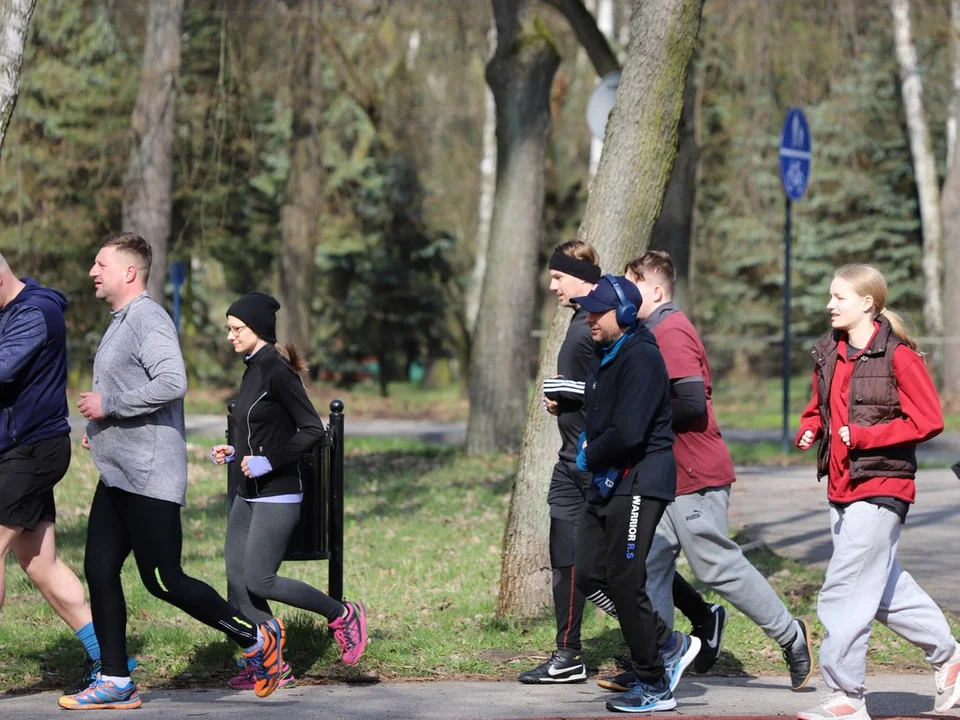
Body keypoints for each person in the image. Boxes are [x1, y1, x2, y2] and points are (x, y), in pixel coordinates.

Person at [60, 233, 285, 710]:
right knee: (99, 570)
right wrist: (101, 427)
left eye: (100, 264)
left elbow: (172, 381)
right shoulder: (121, 321)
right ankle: (116, 679)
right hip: (118, 472)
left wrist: (110, 405)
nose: (92, 272)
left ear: (128, 272)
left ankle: (254, 639)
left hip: (148, 473)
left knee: (163, 579)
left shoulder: (148, 318)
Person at [601, 250, 812, 692]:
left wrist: (636, 416)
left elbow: (692, 403)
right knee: (649, 564)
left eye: (632, 284)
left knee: (715, 566)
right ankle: (654, 664)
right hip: (661, 473)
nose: (623, 292)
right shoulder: (649, 331)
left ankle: (791, 635)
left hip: (695, 472)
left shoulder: (672, 331)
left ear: (655, 291)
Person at [794, 264, 960, 720]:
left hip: (884, 484)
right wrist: (811, 429)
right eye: (830, 296)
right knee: (883, 590)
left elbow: (928, 420)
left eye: (839, 297)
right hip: (841, 484)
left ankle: (847, 696)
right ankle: (951, 657)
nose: (830, 304)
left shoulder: (899, 356)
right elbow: (819, 410)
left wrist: (866, 436)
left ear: (867, 303)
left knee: (844, 589)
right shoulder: (828, 351)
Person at [210, 292, 368, 690]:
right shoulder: (251, 369)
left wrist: (268, 461)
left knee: (260, 580)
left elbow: (312, 430)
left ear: (258, 330)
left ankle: (342, 614)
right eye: (229, 328)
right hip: (249, 493)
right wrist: (237, 452)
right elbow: (262, 428)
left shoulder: (277, 371)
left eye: (237, 329)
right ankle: (271, 663)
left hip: (278, 493)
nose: (230, 336)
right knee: (235, 580)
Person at [570, 275, 700, 714]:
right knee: (588, 573)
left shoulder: (642, 356)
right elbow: (601, 416)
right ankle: (668, 643)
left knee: (625, 579)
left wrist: (589, 455)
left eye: (597, 310)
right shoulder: (604, 352)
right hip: (608, 477)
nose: (589, 316)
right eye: (588, 309)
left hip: (641, 478)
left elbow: (628, 432)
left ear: (624, 313)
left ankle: (655, 684)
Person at [0, 253, 128, 687]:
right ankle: (111, 659)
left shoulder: (36, 312)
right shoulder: (12, 312)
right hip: (18, 449)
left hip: (31, 449)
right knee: (39, 562)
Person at [518, 241, 618, 685]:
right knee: (565, 561)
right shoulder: (579, 321)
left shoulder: (601, 321)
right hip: (568, 463)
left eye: (559, 277)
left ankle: (665, 635)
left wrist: (567, 390)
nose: (552, 285)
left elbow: (616, 385)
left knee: (610, 568)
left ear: (582, 276)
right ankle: (568, 653)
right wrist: (565, 395)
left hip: (594, 464)